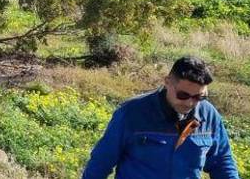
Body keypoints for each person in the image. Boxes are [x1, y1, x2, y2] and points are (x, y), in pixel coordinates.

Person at [82, 57, 238, 179]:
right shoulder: (132, 113)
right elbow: (101, 162)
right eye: (183, 95)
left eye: (199, 97)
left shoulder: (209, 115)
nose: (190, 102)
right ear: (167, 82)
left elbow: (222, 163)